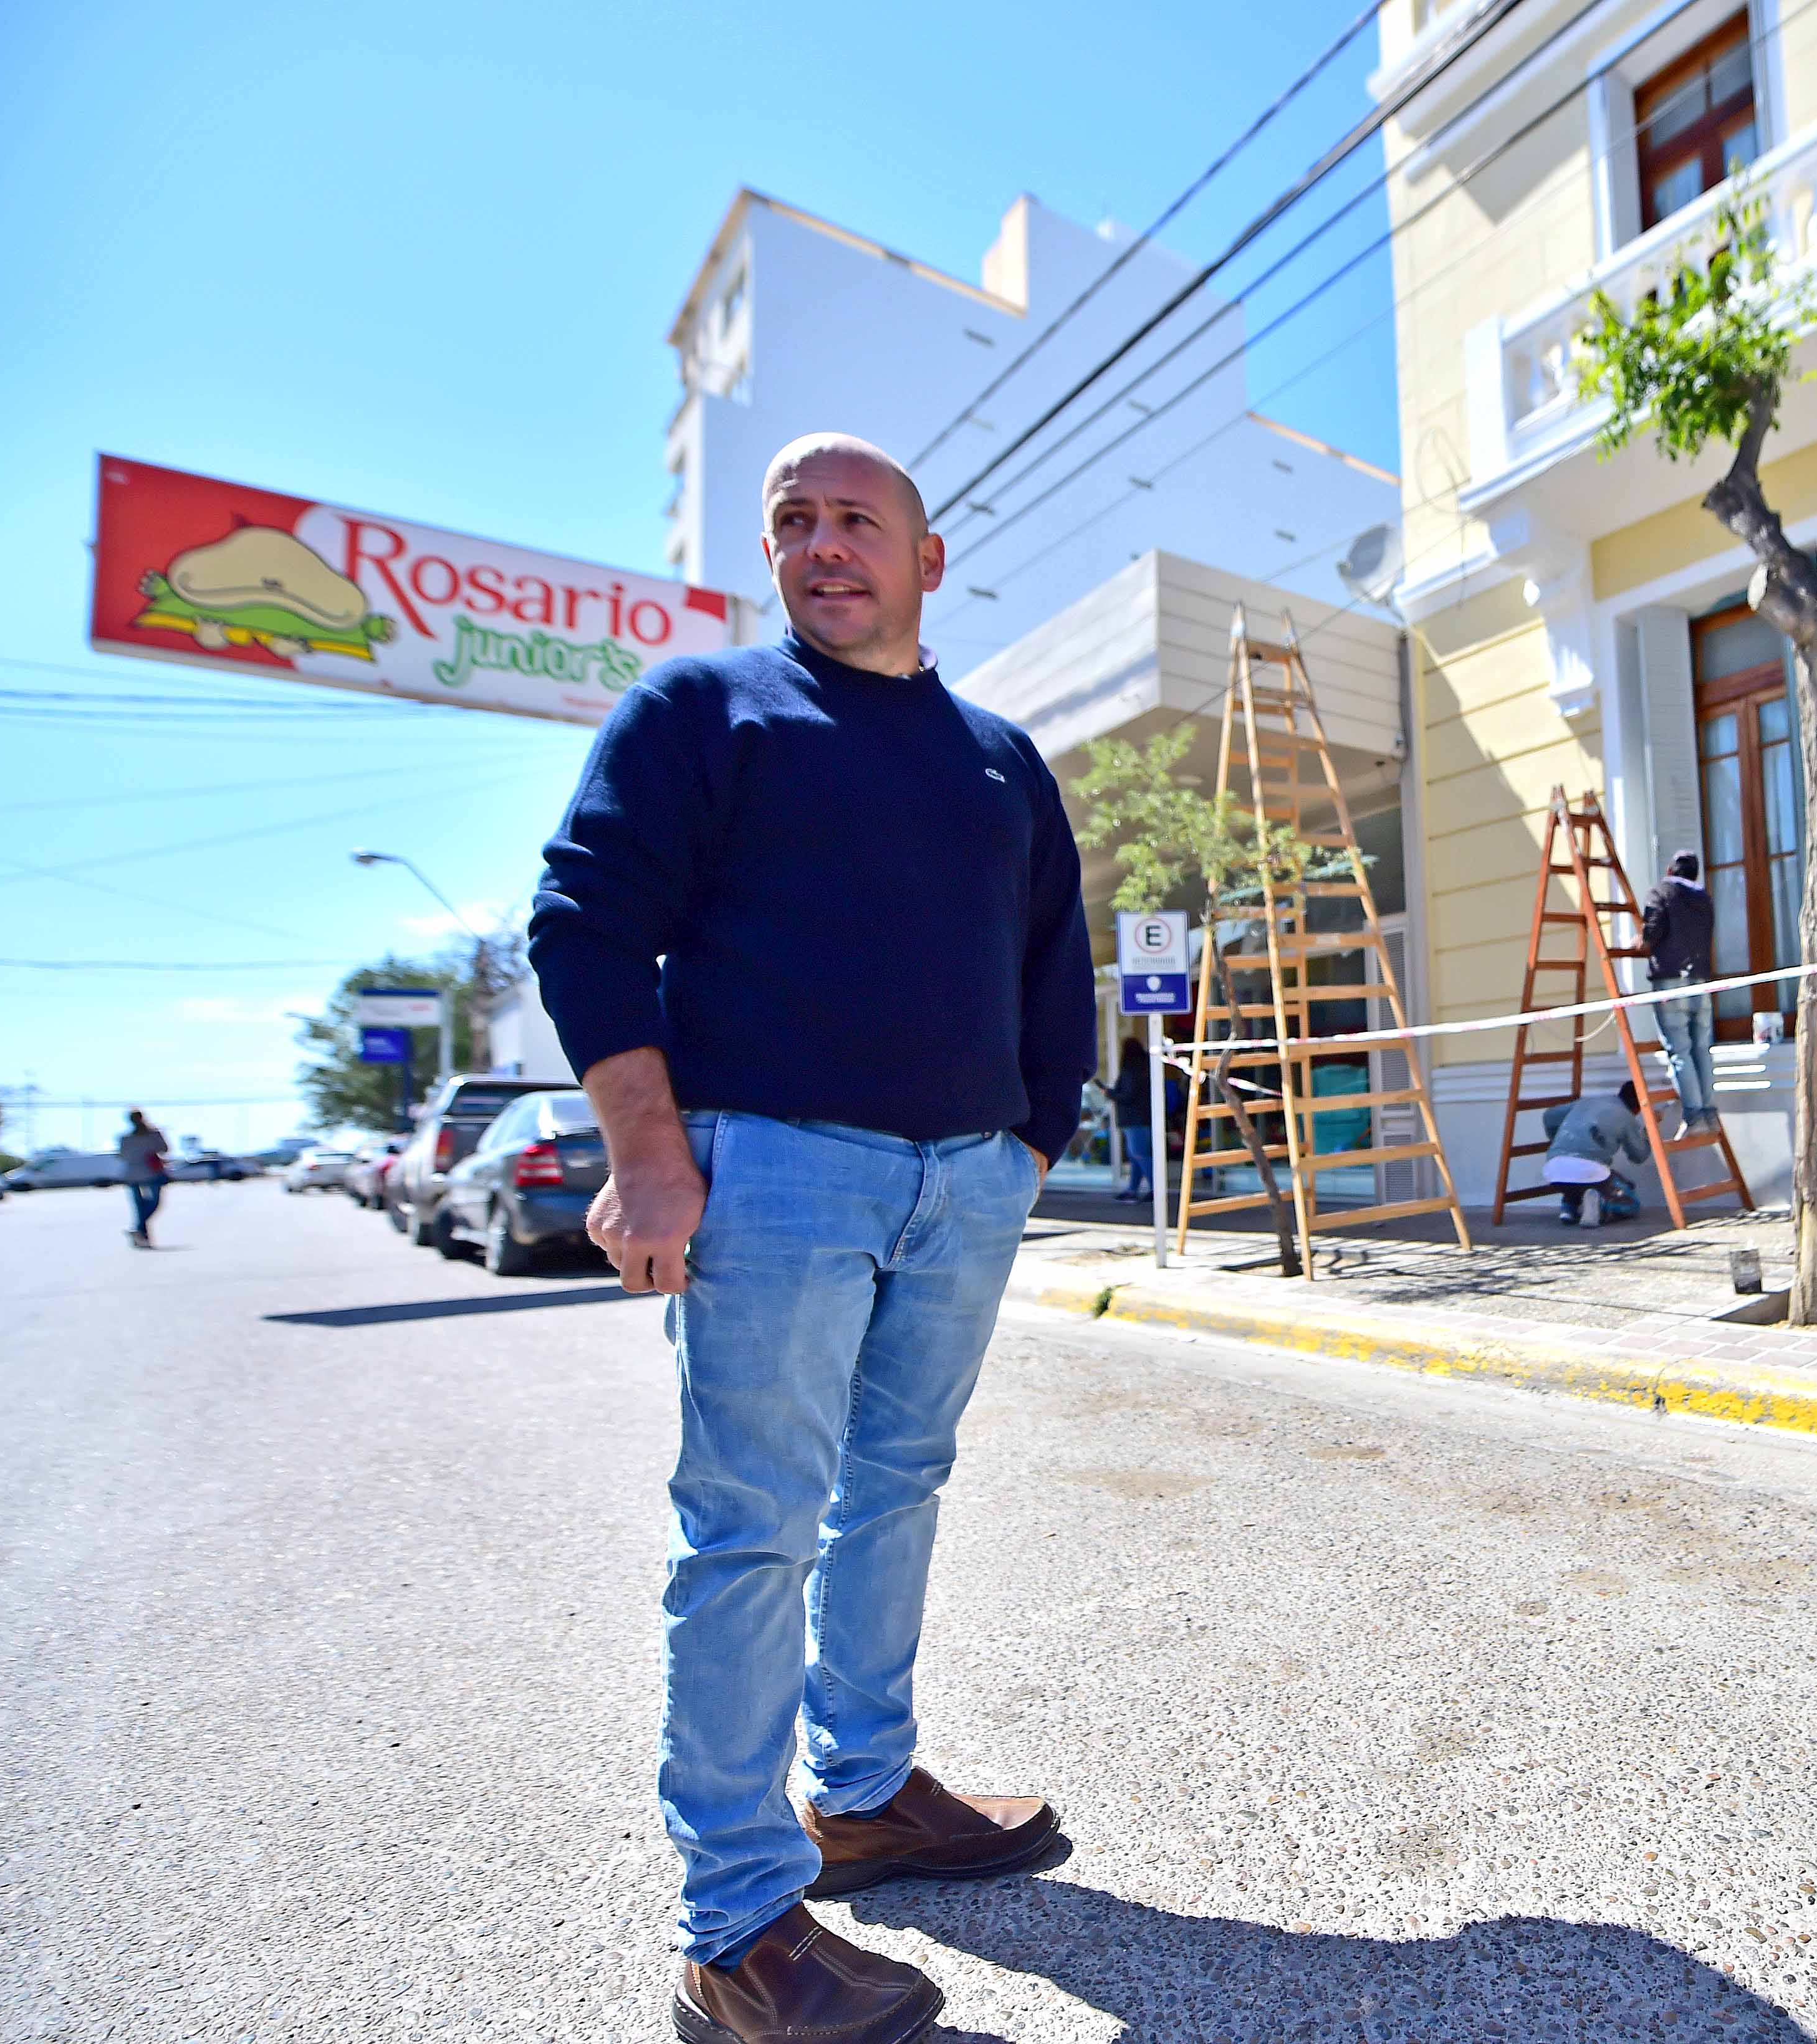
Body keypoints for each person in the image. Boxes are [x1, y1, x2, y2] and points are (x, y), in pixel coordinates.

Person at [530, 433, 1095, 2044]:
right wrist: (649, 1147)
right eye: (793, 522)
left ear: (928, 561)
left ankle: (864, 1796)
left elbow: (1053, 958)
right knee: (754, 1525)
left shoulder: (1000, 757)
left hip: (964, 1183)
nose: (823, 544)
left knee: (900, 1483)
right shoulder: (705, 711)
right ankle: (739, 1928)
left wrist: (1026, 1145)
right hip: (770, 1169)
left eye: (859, 520)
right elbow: (585, 918)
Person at [1641, 849, 1720, 1136]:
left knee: (1680, 1051)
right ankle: (1710, 1113)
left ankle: (1695, 1115)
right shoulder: (1705, 898)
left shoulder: (1662, 891)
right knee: (1701, 1049)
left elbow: (1652, 932)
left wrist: (1641, 940)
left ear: (1671, 871)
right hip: (1701, 981)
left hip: (1672, 981)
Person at [1540, 1080, 1651, 1228]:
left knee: (1576, 1183)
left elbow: (1549, 1116)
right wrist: (1648, 1132)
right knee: (1632, 1203)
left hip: (1553, 1169)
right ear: (1638, 1108)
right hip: (1590, 1171)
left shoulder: (1590, 1101)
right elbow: (1639, 1156)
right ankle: (1602, 1206)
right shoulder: (1627, 1117)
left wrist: (1558, 1140)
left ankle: (1568, 1209)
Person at [117, 1109, 169, 1248]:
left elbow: (122, 1156)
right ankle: (140, 1232)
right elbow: (165, 1149)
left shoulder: (126, 1138)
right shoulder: (153, 1134)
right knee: (154, 1203)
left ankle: (140, 1233)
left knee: (139, 1206)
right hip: (151, 1173)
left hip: (132, 1174)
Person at [1110, 1042, 1153, 1202]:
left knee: (1140, 1155)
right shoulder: (1144, 1069)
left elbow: (1128, 1095)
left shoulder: (1129, 1071)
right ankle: (1132, 1190)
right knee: (1137, 1157)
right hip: (1143, 1118)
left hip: (1133, 1120)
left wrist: (1110, 1093)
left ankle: (1155, 1188)